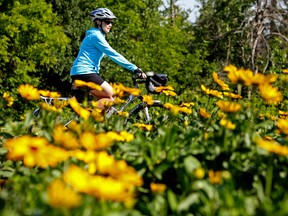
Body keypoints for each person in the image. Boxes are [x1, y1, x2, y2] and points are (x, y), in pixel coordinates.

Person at [70, 8, 146, 108]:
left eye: (111, 22)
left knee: (107, 100)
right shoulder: (96, 36)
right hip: (85, 72)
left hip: (81, 73)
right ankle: (86, 119)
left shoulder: (96, 35)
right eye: (107, 21)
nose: (110, 24)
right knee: (111, 95)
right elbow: (113, 54)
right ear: (98, 22)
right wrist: (134, 69)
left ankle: (94, 120)